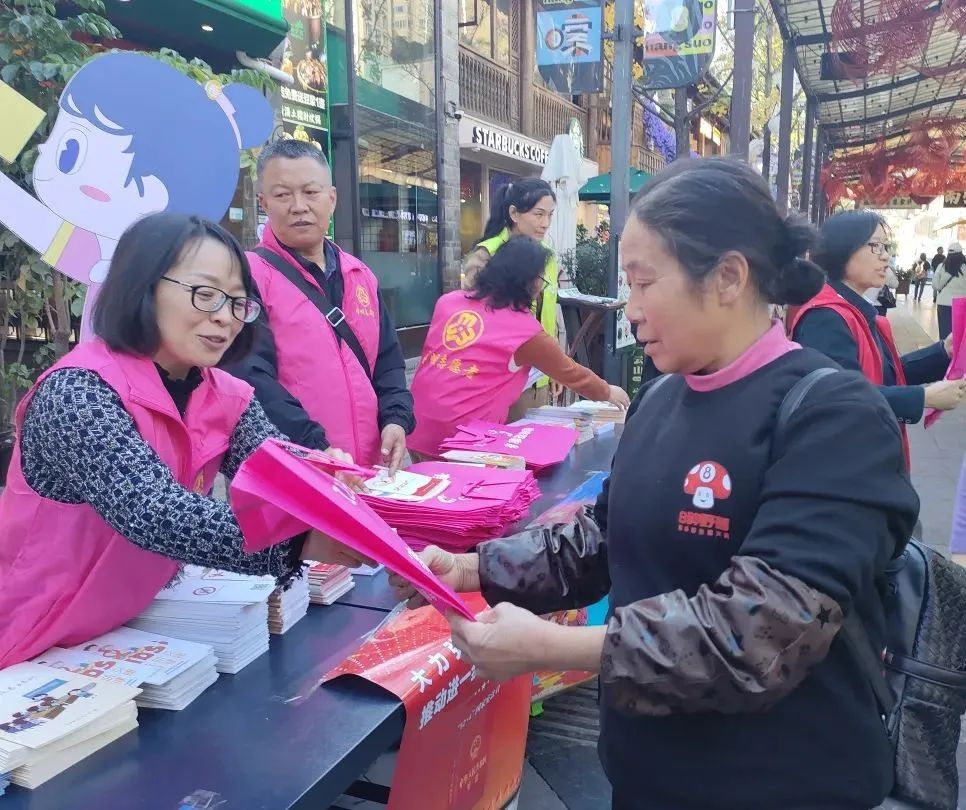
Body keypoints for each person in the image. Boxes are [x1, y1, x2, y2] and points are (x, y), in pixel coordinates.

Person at [392, 157, 920, 810]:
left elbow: (765, 629)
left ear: (728, 277)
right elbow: (605, 537)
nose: (632, 309)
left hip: (782, 781)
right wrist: (473, 567)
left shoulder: (834, 415)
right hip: (647, 771)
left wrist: (554, 648)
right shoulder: (663, 397)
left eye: (644, 283)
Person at [0, 213, 367, 668]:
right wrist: (296, 543)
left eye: (238, 302)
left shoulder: (225, 394)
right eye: (205, 294)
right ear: (143, 286)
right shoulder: (78, 392)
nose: (224, 317)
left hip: (128, 629)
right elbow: (154, 511)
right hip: (33, 636)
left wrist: (324, 478)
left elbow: (274, 470)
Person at [0, 51, 273, 341]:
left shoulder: (176, 271)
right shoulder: (101, 252)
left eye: (135, 175)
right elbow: (31, 219)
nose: (95, 180)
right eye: (69, 150)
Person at [229, 139, 413, 471]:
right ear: (263, 203)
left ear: (332, 198)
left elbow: (388, 361)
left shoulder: (360, 275)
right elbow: (251, 379)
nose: (298, 206)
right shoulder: (246, 277)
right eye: (282, 195)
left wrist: (396, 418)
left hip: (364, 472)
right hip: (294, 471)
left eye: (311, 192)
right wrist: (316, 447)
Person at [408, 236, 629, 457]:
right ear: (529, 281)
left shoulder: (448, 302)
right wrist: (607, 391)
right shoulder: (524, 330)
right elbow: (570, 372)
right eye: (542, 278)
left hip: (414, 426)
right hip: (462, 440)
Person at [791, 211, 964, 465]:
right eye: (875, 246)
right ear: (843, 249)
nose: (885, 256)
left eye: (886, 246)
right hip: (845, 465)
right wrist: (922, 398)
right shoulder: (826, 317)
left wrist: (943, 352)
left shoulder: (853, 310)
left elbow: (885, 375)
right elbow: (838, 397)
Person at [462, 178, 561, 420]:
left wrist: (556, 366)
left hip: (538, 378)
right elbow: (474, 320)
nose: (545, 223)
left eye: (550, 215)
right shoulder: (487, 255)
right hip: (498, 380)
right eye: (538, 214)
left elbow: (549, 316)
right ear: (514, 213)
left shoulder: (546, 257)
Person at [933, 241, 966, 340]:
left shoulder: (941, 266)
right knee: (959, 335)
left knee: (945, 335)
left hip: (944, 303)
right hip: (962, 304)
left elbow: (936, 286)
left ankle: (945, 350)